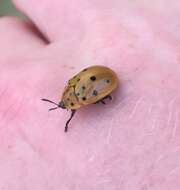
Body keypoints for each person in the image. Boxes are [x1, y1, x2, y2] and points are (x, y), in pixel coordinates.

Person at [0, 0, 180, 189]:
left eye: (65, 104)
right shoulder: (72, 92)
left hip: (106, 79)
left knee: (98, 100)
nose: (65, 105)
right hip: (99, 76)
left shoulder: (80, 99)